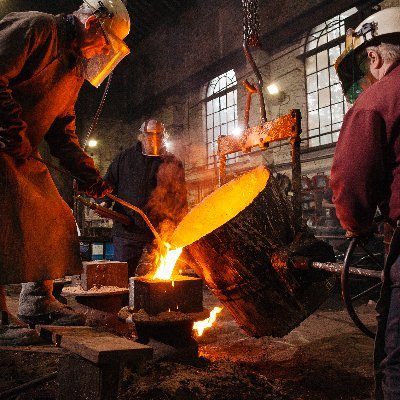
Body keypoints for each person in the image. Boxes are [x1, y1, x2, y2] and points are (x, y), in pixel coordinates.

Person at [0, 0, 130, 338]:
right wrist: (12, 130)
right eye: (105, 42)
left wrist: (89, 175)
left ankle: (37, 300)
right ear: (91, 25)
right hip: (6, 142)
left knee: (55, 216)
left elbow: (62, 132)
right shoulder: (39, 29)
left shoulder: (73, 69)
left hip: (16, 150)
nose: (103, 50)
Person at [331, 7, 400, 399]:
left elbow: (350, 178)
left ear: (373, 56)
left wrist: (357, 224)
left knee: (397, 364)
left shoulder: (376, 101)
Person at [101, 119, 188, 277]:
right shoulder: (124, 159)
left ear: (163, 137)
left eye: (158, 136)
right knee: (122, 278)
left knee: (160, 278)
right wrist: (104, 202)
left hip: (158, 232)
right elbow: (109, 184)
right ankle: (123, 302)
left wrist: (179, 226)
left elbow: (180, 197)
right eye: (149, 136)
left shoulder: (172, 162)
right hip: (127, 231)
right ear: (141, 136)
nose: (154, 140)